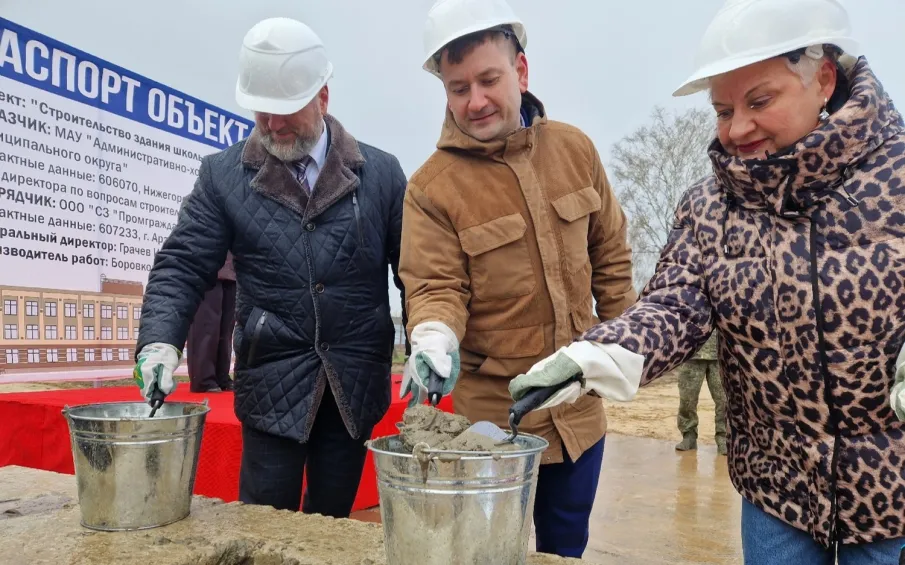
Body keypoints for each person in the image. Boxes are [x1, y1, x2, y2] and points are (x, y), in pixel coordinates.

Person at [507, 0, 905, 563]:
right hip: (777, 493)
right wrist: (598, 355)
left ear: (823, 78)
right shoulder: (711, 207)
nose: (738, 128)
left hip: (893, 497)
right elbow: (674, 303)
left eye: (759, 101)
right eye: (723, 110)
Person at [132, 17, 408, 519]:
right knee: (262, 525)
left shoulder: (382, 173)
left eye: (287, 112)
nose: (274, 125)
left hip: (353, 382)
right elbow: (183, 262)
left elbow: (415, 269)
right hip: (272, 381)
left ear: (323, 97)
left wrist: (430, 333)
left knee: (331, 527)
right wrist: (159, 340)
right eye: (262, 112)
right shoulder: (223, 175)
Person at [397, 0, 638, 558]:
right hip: (492, 422)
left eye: (488, 79)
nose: (475, 101)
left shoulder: (575, 149)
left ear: (521, 72)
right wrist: (433, 335)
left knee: (566, 545)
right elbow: (435, 287)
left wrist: (632, 340)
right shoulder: (432, 188)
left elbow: (612, 256)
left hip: (579, 413)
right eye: (458, 88)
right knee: (486, 549)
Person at [185, 252, 237, 393]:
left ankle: (221, 377)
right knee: (207, 325)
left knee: (226, 329)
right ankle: (203, 379)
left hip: (232, 271)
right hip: (206, 267)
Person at [674, 331, 726, 455]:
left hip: (720, 355)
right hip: (691, 353)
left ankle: (724, 439)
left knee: (724, 400)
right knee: (687, 399)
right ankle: (689, 436)